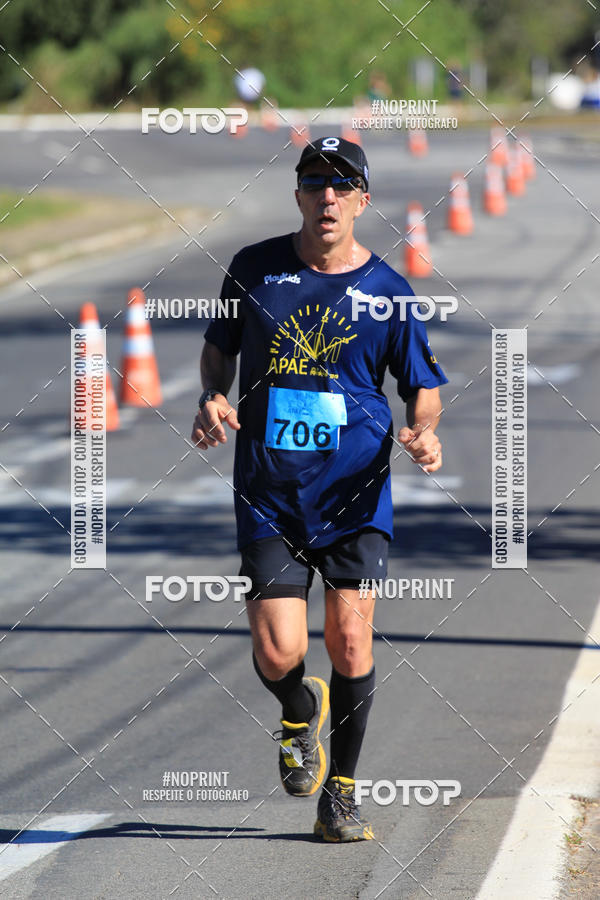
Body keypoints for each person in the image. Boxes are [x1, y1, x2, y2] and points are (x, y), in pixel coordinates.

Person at [191, 136, 447, 842]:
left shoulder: (390, 293)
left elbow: (422, 387)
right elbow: (220, 344)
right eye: (314, 183)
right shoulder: (255, 270)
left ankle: (340, 793)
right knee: (277, 653)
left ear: (363, 200)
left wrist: (423, 431)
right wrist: (213, 394)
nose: (326, 196)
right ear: (298, 195)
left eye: (341, 185)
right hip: (270, 493)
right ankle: (299, 711)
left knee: (350, 643)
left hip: (354, 496)